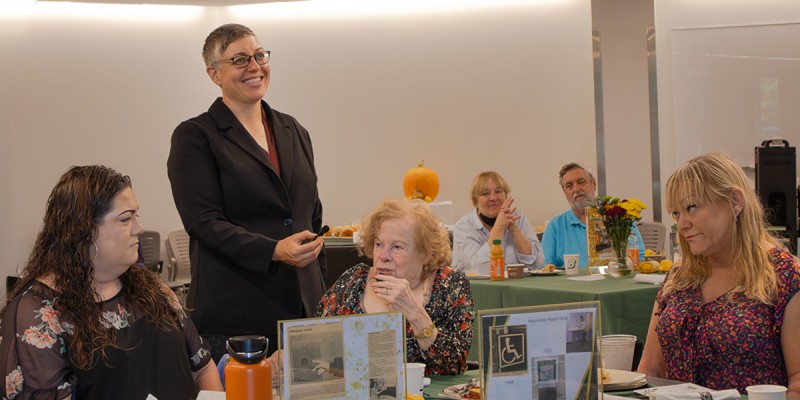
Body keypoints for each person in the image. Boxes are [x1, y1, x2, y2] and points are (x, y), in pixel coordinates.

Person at [167, 23, 326, 359]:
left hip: (304, 310)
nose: (254, 67)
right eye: (239, 60)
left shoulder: (293, 129)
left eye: (259, 56)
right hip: (237, 315)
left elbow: (310, 212)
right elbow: (204, 223)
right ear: (214, 74)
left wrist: (319, 289)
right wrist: (273, 251)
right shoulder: (195, 136)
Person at [0, 166, 222, 399]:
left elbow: (203, 367)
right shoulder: (39, 313)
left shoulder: (151, 288)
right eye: (126, 219)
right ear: (85, 231)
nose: (140, 228)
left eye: (137, 215)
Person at [637, 153, 800, 396]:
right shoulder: (679, 275)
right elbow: (651, 370)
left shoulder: (783, 274)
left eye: (691, 207)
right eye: (676, 213)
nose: (682, 224)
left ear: (735, 201)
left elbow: (797, 381)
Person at [317, 199, 475, 375]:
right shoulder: (354, 281)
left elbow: (454, 365)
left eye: (397, 247)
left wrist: (414, 311)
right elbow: (317, 341)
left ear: (426, 253)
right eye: (379, 244)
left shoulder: (450, 284)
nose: (383, 256)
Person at [541, 162, 645, 267]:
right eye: (569, 186)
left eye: (581, 182)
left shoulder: (620, 219)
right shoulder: (555, 227)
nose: (576, 189)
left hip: (613, 280)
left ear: (594, 184)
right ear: (565, 192)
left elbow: (639, 258)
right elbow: (545, 268)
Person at [453, 171, 544, 274]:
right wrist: (499, 227)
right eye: (485, 193)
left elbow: (538, 264)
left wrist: (514, 230)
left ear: (506, 196)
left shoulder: (518, 217)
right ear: (475, 201)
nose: (493, 198)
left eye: (498, 191)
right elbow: (478, 269)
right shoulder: (464, 226)